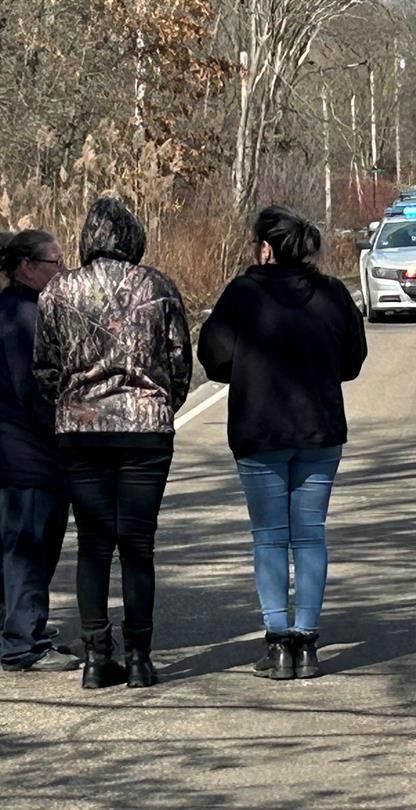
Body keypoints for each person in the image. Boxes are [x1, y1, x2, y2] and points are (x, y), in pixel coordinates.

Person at [198, 206, 367, 681]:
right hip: (320, 429)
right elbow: (352, 360)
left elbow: (212, 357)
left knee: (270, 537)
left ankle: (276, 644)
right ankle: (308, 642)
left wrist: (248, 371)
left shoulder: (243, 295)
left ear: (266, 248)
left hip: (259, 430)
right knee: (310, 533)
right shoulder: (333, 294)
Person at [34, 198, 192, 689]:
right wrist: (161, 404)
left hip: (81, 431)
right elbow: (180, 361)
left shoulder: (59, 291)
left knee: (94, 545)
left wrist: (72, 401)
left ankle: (96, 657)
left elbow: (45, 365)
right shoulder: (157, 285)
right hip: (146, 429)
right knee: (138, 545)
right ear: (132, 237)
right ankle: (141, 658)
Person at [0, 230, 81, 673]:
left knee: (16, 546)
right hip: (28, 454)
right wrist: (74, 419)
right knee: (31, 547)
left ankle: (17, 626)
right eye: (55, 263)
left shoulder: (14, 308)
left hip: (16, 451)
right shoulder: (23, 315)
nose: (62, 271)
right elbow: (35, 389)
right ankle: (22, 641)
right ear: (28, 267)